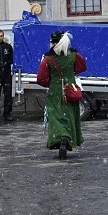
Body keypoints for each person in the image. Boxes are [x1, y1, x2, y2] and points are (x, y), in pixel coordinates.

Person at [36, 31, 87, 159]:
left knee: (56, 116)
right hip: (70, 90)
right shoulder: (73, 56)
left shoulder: (48, 59)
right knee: (70, 115)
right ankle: (69, 138)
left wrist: (52, 82)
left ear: (53, 43)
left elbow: (41, 79)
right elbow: (82, 67)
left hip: (55, 91)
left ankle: (62, 137)